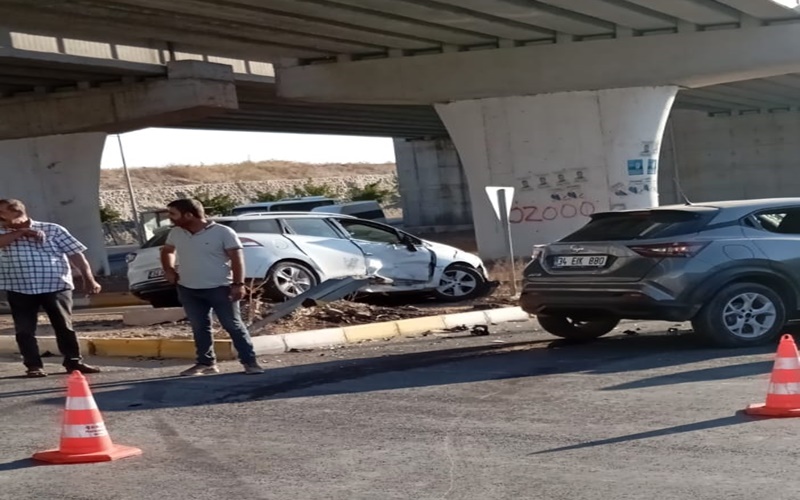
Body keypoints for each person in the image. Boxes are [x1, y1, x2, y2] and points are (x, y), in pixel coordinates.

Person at [160, 198, 264, 376]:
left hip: (220, 287)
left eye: (173, 214)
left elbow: (237, 259)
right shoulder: (176, 233)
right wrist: (169, 270)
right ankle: (206, 363)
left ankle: (250, 362)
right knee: (199, 327)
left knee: (233, 325)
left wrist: (238, 284)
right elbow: (167, 251)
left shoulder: (223, 232)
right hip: (188, 288)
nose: (170, 218)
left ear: (189, 215)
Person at [0, 199, 102, 377]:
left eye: (9, 209)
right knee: (24, 329)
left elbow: (76, 255)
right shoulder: (2, 231)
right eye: (3, 211)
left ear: (20, 210)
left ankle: (74, 362)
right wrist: (22, 232)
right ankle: (33, 366)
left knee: (64, 326)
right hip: (19, 288)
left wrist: (89, 279)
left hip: (55, 285)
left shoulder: (53, 229)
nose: (10, 212)